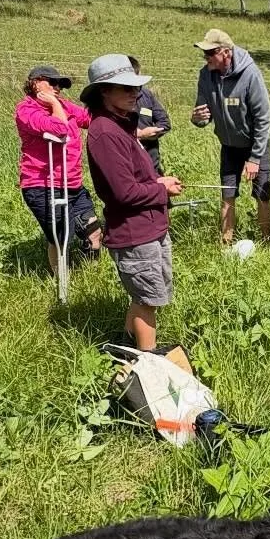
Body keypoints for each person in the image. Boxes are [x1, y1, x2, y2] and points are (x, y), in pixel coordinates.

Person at [82, 54, 184, 351]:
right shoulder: (104, 132)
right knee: (147, 303)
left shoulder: (121, 124)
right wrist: (161, 191)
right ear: (104, 92)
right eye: (125, 88)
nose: (134, 93)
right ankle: (147, 363)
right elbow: (123, 193)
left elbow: (135, 180)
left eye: (135, 87)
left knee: (143, 298)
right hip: (134, 233)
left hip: (148, 227)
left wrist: (158, 182)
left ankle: (124, 349)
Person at [15, 65, 102, 275]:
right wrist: (54, 103)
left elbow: (90, 119)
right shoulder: (26, 111)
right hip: (43, 184)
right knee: (61, 236)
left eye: (60, 85)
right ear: (35, 83)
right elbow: (59, 129)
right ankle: (60, 279)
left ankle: (91, 275)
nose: (57, 88)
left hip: (72, 183)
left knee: (94, 231)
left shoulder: (65, 105)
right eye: (52, 83)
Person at [190, 28, 270, 243]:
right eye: (204, 53)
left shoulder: (250, 74)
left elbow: (263, 119)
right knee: (227, 193)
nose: (205, 58)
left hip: (256, 145)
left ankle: (267, 240)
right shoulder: (205, 75)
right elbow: (203, 115)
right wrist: (198, 118)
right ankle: (226, 242)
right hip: (229, 146)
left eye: (210, 53)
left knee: (262, 194)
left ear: (226, 53)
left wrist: (255, 158)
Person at [129, 55, 171, 174]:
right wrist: (140, 134)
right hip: (130, 167)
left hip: (152, 164)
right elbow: (114, 131)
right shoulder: (116, 101)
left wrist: (154, 132)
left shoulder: (146, 95)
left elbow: (165, 123)